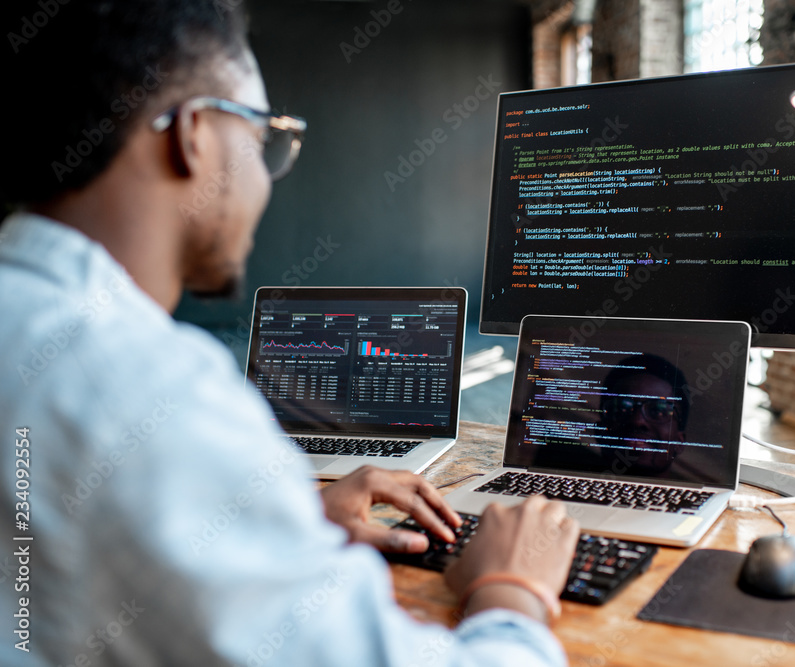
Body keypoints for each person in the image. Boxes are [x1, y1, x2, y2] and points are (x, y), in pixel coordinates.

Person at [0, 2, 578, 665]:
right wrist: (516, 588)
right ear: (193, 134)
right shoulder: (153, 390)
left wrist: (281, 530)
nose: (267, 178)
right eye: (263, 138)